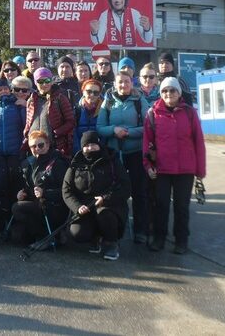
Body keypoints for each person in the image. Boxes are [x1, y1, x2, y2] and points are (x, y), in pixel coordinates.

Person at [144, 78, 206, 254]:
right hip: (162, 169)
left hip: (185, 169)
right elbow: (147, 142)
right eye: (165, 91)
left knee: (181, 206)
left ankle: (181, 241)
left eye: (172, 90)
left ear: (179, 93)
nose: (168, 94)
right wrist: (148, 165)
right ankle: (159, 238)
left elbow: (198, 143)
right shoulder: (152, 114)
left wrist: (200, 171)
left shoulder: (189, 113)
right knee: (161, 205)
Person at [96, 72, 151, 244]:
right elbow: (100, 127)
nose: (123, 85)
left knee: (138, 192)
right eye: (120, 82)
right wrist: (114, 130)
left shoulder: (139, 100)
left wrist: (128, 133)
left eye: (126, 82)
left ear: (131, 83)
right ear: (115, 83)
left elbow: (148, 126)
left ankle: (140, 230)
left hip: (135, 152)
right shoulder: (109, 100)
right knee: (115, 193)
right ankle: (116, 228)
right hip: (114, 154)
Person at [63, 131, 131, 261]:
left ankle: (111, 243)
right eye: (86, 145)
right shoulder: (75, 163)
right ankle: (95, 237)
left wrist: (105, 199)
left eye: (93, 144)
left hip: (109, 206)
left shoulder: (112, 160)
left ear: (99, 144)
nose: (90, 148)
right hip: (85, 208)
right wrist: (77, 207)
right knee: (77, 233)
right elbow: (66, 190)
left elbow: (126, 187)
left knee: (104, 214)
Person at [10, 130, 69, 246]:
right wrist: (22, 194)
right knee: (17, 237)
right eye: (33, 146)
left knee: (17, 208)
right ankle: (45, 234)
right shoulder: (28, 163)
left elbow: (66, 191)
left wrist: (45, 193)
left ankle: (47, 236)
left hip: (54, 206)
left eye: (40, 145)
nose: (37, 148)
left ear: (47, 144)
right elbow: (27, 186)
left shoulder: (58, 163)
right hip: (36, 204)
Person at [24, 68, 76, 158]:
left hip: (55, 146)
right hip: (35, 147)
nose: (44, 84)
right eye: (40, 81)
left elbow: (71, 121)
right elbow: (29, 121)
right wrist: (27, 133)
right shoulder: (31, 100)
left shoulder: (60, 98)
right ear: (35, 83)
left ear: (51, 81)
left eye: (47, 80)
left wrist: (56, 133)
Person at [89, 0, 153, 47]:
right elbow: (97, 42)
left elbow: (148, 40)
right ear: (110, 0)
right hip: (113, 54)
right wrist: (94, 32)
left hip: (131, 53)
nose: (118, 0)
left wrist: (147, 28)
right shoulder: (104, 15)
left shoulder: (134, 13)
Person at [74, 79, 103, 150]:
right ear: (83, 92)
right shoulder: (76, 110)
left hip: (99, 151)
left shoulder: (104, 111)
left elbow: (105, 136)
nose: (92, 95)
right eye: (89, 91)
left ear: (99, 94)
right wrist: (78, 153)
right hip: (81, 151)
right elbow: (74, 135)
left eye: (96, 92)